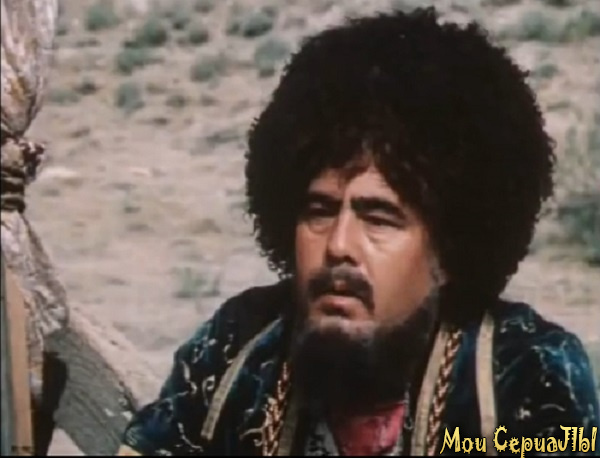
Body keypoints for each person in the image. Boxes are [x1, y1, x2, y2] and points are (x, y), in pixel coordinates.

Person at [117, 7, 599, 456]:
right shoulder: (236, 348)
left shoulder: (527, 374)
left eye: (378, 218)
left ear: (449, 250)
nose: (339, 246)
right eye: (320, 211)